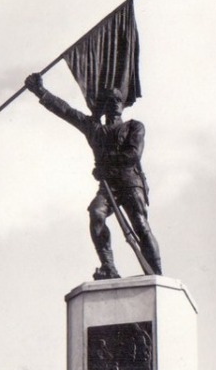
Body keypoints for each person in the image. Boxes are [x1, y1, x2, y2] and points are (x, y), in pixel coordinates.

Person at [25, 72, 163, 280]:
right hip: (108, 187)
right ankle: (109, 267)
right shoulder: (94, 129)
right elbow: (67, 111)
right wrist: (40, 91)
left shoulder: (134, 127)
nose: (115, 104)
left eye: (118, 100)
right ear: (104, 105)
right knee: (96, 214)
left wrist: (106, 165)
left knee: (140, 225)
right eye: (111, 100)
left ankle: (157, 275)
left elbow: (133, 154)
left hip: (130, 182)